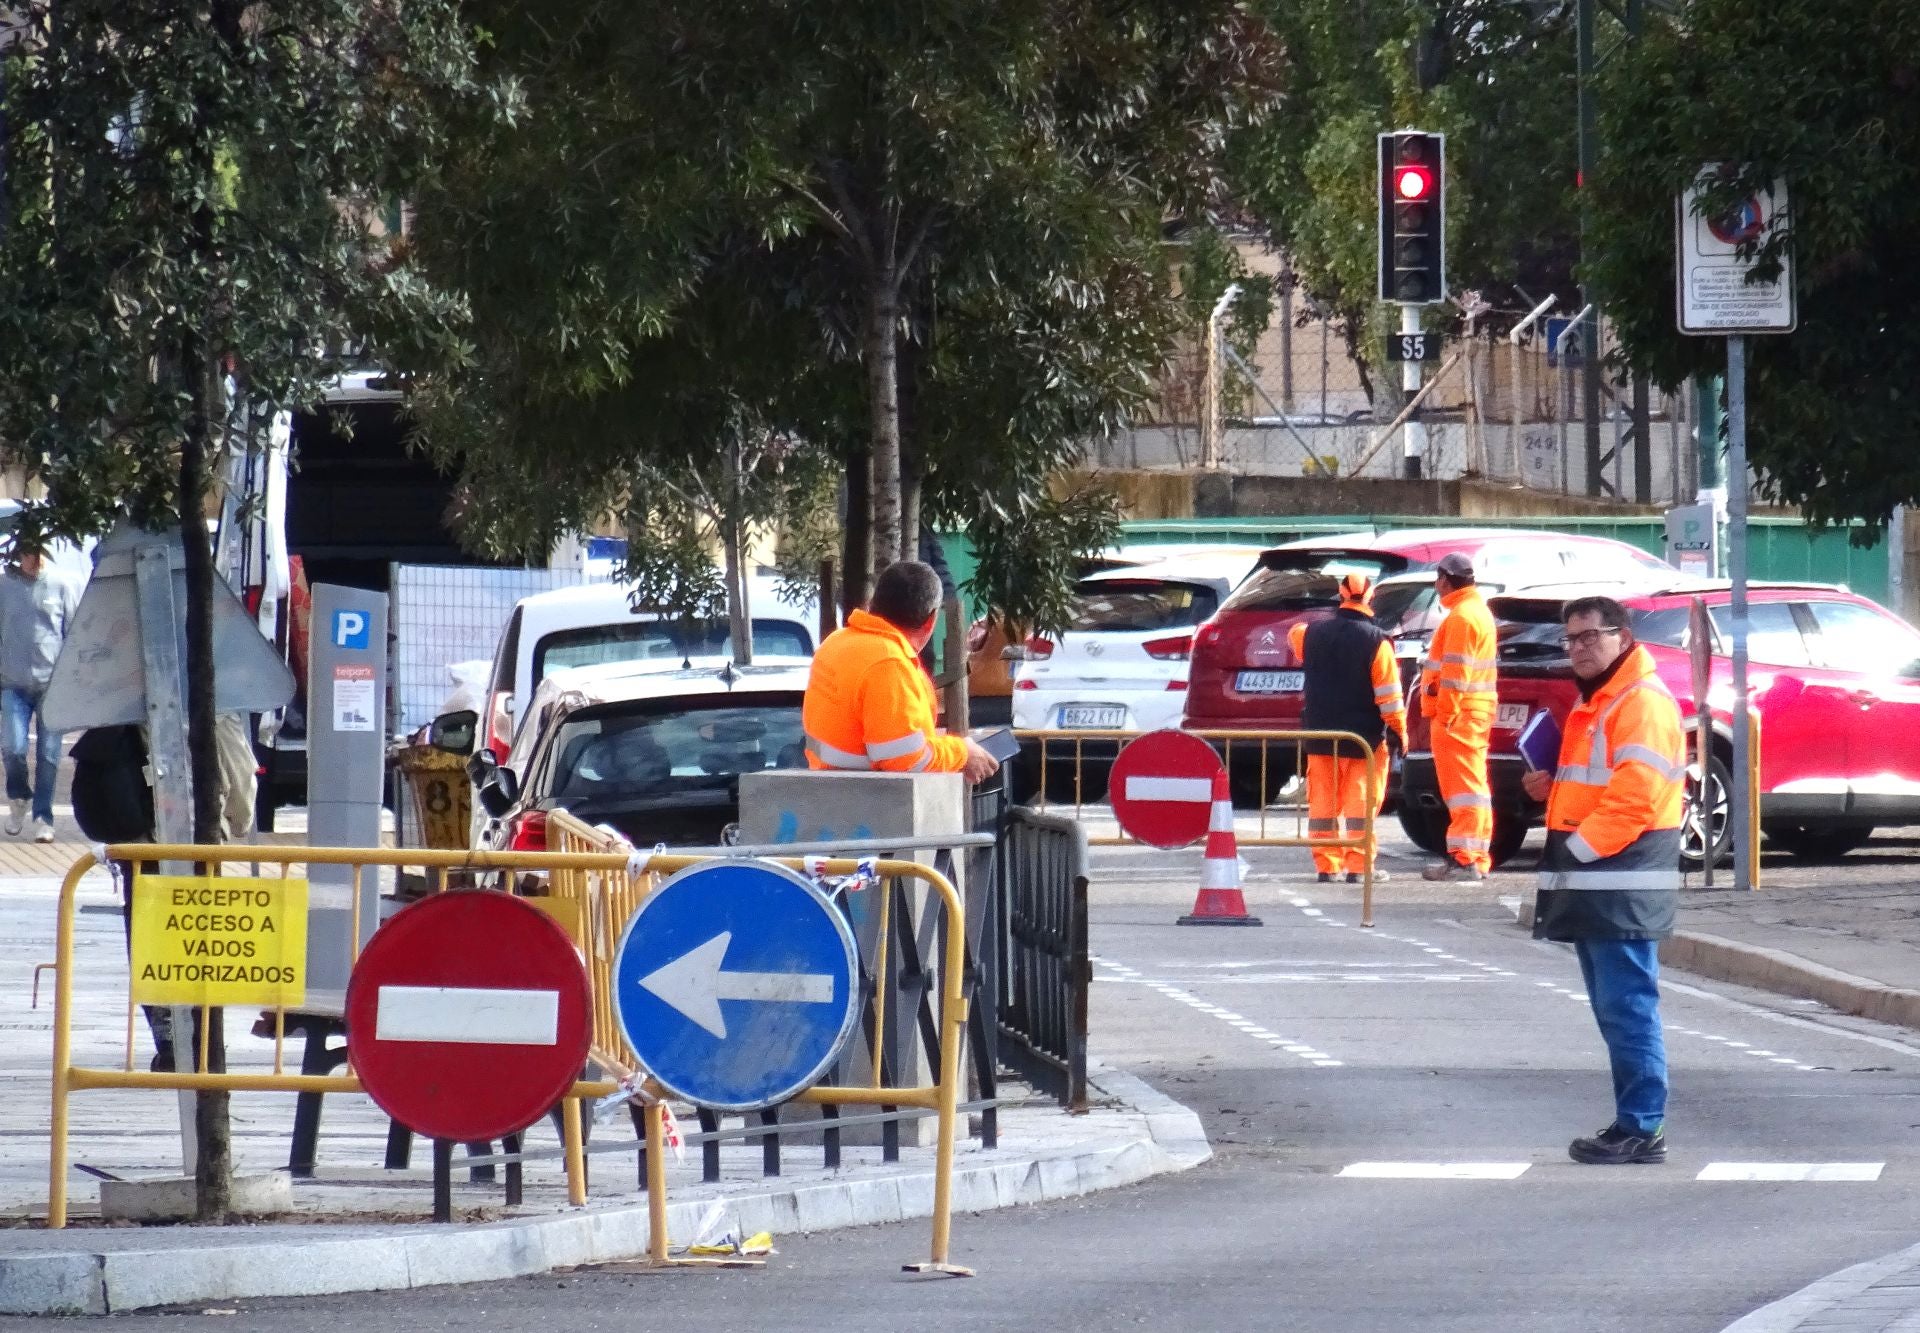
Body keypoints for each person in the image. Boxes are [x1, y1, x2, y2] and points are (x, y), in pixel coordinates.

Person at [1521, 595, 1685, 1165]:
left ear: (1624, 636)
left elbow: (1635, 798)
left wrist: (1578, 852)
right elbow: (1601, 786)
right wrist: (1552, 791)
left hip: (1619, 874)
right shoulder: (1604, 700)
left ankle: (1641, 1127)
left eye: (1592, 636)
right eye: (1571, 639)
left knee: (1627, 1006)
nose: (1580, 648)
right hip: (1606, 877)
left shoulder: (1638, 702)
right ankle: (1635, 1124)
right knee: (1618, 1008)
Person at [803, 560, 999, 782]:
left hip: (831, 792)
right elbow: (904, 759)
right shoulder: (888, 663)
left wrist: (945, 745)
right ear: (931, 620)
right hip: (873, 802)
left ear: (872, 603)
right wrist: (962, 753)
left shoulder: (835, 643)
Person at [1288, 573, 1407, 884]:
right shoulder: (1377, 642)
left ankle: (1326, 866)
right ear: (1370, 599)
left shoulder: (1311, 634)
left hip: (1320, 735)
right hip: (1363, 738)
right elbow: (1390, 698)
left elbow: (1295, 635)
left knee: (1323, 803)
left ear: (1340, 596)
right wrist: (1401, 732)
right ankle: (1358, 866)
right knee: (1360, 803)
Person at [1419, 552, 1497, 881]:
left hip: (1458, 716)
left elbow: (1454, 675)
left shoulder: (1463, 617)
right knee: (1472, 788)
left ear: (1446, 580)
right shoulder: (1474, 613)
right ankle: (1472, 856)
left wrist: (1446, 714)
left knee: (1463, 790)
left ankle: (1465, 859)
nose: (1436, 586)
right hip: (1469, 713)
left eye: (1438, 580)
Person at [0, 545, 80, 843]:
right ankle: (18, 796)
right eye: (30, 553)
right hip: (12, 682)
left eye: (41, 553)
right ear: (19, 555)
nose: (36, 560)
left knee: (48, 754)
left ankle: (44, 816)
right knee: (13, 748)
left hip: (51, 683)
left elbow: (72, 632)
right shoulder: (4, 585)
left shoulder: (61, 585)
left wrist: (72, 678)